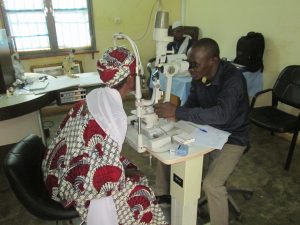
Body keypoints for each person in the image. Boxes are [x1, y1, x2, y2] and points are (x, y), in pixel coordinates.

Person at [42, 47, 168, 225]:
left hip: (56, 172)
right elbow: (104, 179)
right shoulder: (115, 116)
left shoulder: (93, 96)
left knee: (128, 165)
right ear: (131, 78)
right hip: (71, 189)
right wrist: (126, 175)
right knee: (142, 191)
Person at [153, 38, 249, 225]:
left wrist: (177, 111)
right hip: (206, 130)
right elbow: (192, 104)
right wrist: (174, 116)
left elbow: (222, 115)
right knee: (167, 147)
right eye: (189, 64)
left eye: (195, 65)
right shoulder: (199, 76)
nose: (190, 69)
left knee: (211, 184)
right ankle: (164, 197)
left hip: (233, 137)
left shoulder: (233, 79)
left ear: (213, 61)